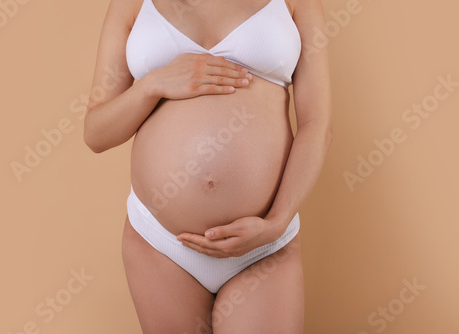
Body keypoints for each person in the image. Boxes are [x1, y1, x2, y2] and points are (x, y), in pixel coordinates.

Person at [84, 0, 332, 332]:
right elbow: (96, 131)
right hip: (161, 243)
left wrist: (276, 222)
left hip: (263, 245)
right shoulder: (130, 5)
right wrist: (152, 84)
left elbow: (317, 123)